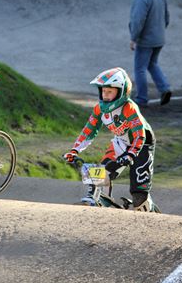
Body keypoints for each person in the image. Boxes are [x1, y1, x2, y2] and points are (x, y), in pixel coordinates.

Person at [63, 67, 157, 212]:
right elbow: (88, 131)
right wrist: (74, 150)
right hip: (121, 141)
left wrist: (130, 154)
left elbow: (140, 135)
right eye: (103, 91)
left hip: (142, 145)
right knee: (98, 174)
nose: (105, 95)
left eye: (110, 91)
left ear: (121, 92)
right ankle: (99, 201)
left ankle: (148, 209)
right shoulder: (99, 109)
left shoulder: (129, 108)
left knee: (139, 196)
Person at [129, 0, 171, 106]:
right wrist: (160, 31)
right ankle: (165, 88)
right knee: (152, 64)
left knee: (139, 69)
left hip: (146, 40)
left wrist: (133, 38)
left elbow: (138, 20)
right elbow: (166, 16)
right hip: (159, 39)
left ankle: (141, 98)